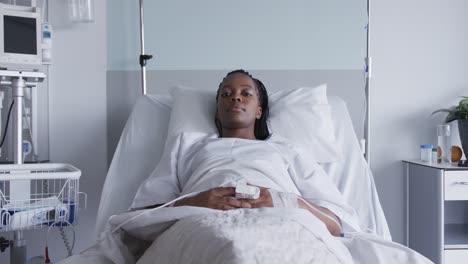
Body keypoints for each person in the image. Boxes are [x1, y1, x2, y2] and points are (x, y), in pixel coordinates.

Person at [132, 70, 359, 237]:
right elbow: (140, 220)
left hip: (282, 224)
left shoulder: (287, 149)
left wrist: (284, 201)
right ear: (217, 112)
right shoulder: (187, 145)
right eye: (226, 94)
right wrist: (194, 202)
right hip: (201, 225)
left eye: (246, 93)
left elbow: (336, 224)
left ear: (259, 110)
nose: (235, 97)